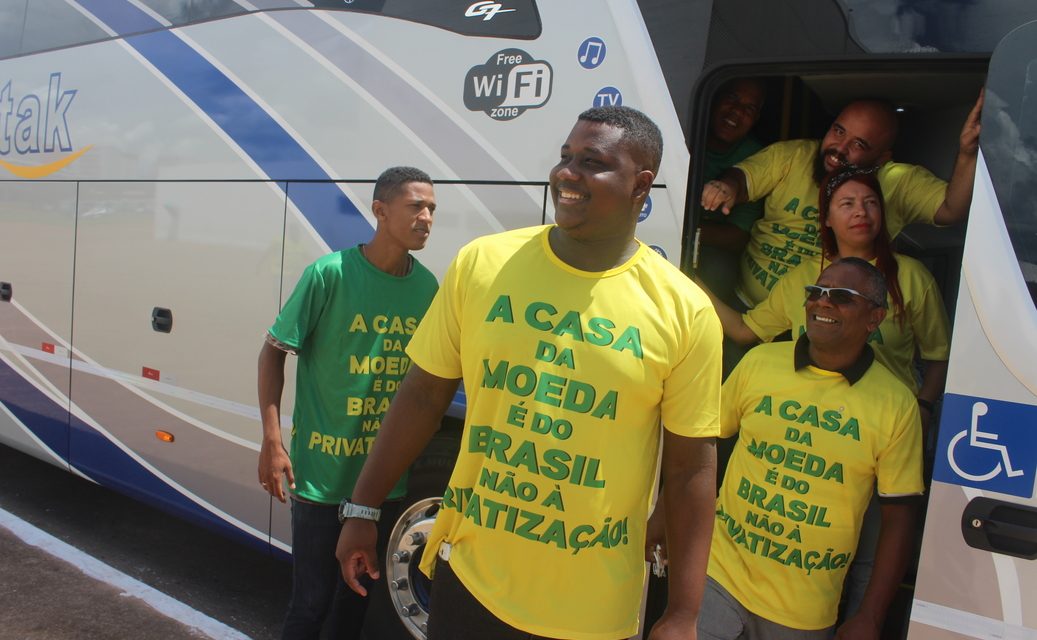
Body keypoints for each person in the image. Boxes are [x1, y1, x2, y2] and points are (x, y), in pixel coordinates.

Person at [335, 106, 723, 640]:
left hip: (591, 611)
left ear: (641, 184)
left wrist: (682, 612)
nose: (568, 173)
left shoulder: (685, 311)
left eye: (593, 161)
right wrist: (364, 505)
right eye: (566, 157)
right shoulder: (484, 263)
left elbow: (689, 471)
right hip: (469, 579)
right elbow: (423, 394)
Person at [257, 166, 439, 640]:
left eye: (432, 209)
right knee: (311, 606)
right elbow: (274, 352)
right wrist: (273, 441)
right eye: (415, 206)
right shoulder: (329, 274)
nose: (426, 218)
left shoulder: (427, 289)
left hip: (382, 483)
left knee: (354, 603)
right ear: (380, 211)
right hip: (321, 481)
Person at [702, 257, 924, 639]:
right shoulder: (760, 362)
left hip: (803, 612)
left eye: (841, 296)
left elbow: (899, 520)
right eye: (816, 293)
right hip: (716, 578)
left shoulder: (896, 404)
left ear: (875, 318)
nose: (822, 303)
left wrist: (870, 616)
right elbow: (700, 445)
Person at [706, 168, 950, 434]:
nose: (861, 212)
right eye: (847, 204)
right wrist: (688, 278)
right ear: (827, 219)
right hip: (811, 421)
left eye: (871, 203)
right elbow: (744, 330)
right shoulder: (803, 277)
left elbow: (939, 356)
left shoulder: (913, 276)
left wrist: (924, 407)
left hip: (883, 424)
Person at [701, 93, 983, 307]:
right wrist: (726, 187)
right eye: (838, 131)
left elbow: (951, 209)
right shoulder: (793, 155)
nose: (840, 149)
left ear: (881, 158)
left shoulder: (897, 181)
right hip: (749, 305)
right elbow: (743, 177)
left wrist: (968, 153)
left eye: (859, 144)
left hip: (828, 326)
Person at [696, 77, 767, 311]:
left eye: (749, 109)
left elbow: (737, 237)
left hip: (709, 245)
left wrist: (687, 231)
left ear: (756, 119)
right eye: (732, 99)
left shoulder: (756, 157)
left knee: (720, 270)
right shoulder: (687, 131)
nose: (737, 112)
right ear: (714, 99)